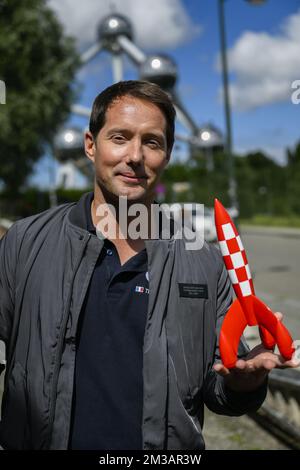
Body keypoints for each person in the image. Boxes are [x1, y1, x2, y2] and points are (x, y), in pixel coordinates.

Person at [0, 80, 298, 450]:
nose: (135, 156)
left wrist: (246, 380)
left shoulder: (202, 260)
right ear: (91, 145)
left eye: (152, 142)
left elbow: (218, 392)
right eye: (120, 137)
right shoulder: (25, 242)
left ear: (168, 155)